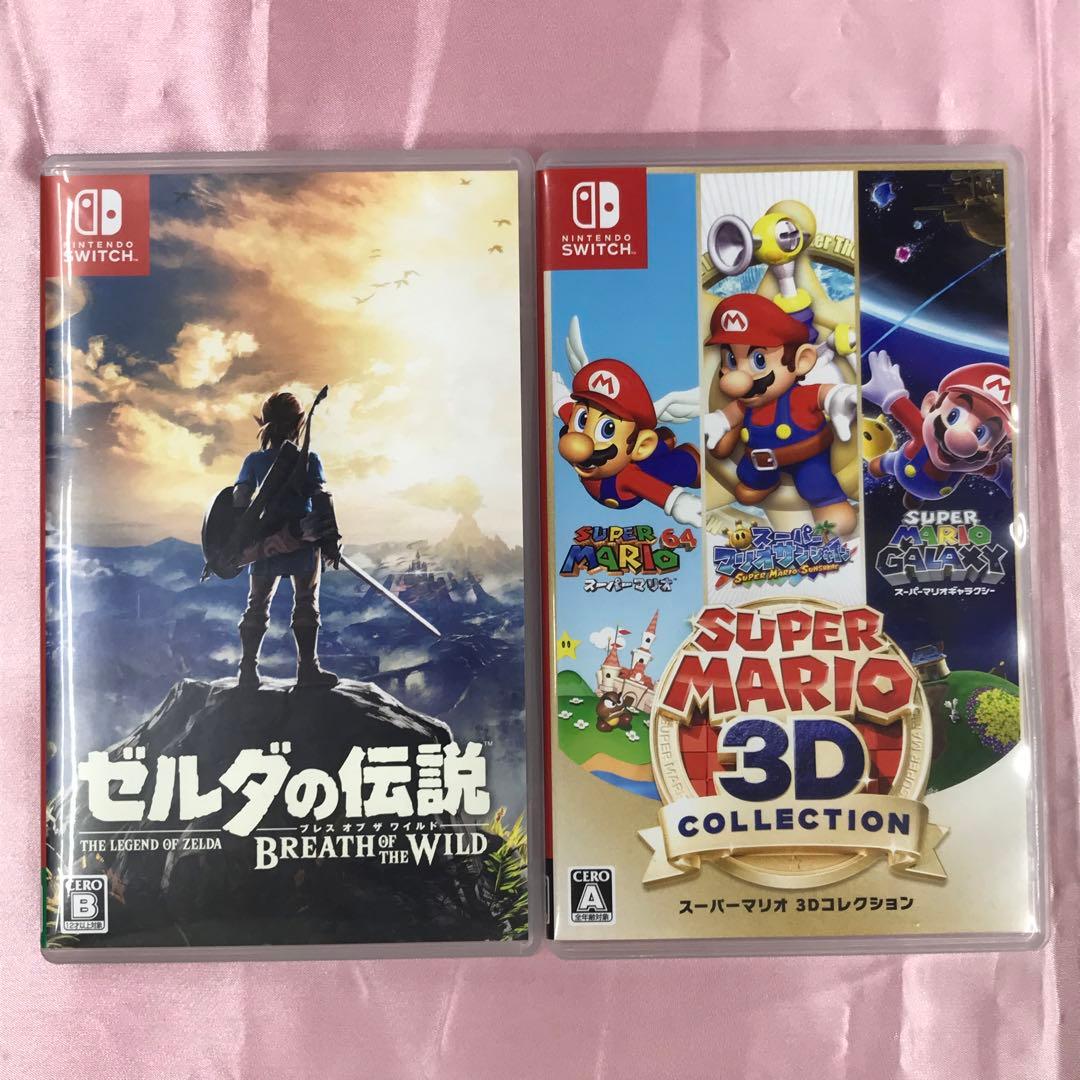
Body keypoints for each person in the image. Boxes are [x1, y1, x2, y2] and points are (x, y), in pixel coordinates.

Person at [233, 391, 338, 689]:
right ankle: (307, 670)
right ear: (298, 424)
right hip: (303, 539)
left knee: (257, 605)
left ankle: (247, 671)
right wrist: (330, 539)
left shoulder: (254, 460)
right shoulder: (310, 459)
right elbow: (321, 498)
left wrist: (240, 536)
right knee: (306, 603)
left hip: (265, 542)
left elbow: (240, 499)